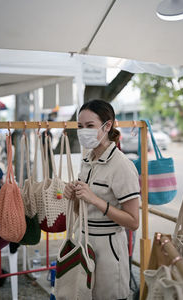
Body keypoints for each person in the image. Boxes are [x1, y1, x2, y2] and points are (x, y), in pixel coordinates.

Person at [63, 99, 140, 300]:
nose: (83, 131)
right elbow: (83, 211)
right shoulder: (87, 160)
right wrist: (75, 196)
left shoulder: (121, 165)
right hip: (84, 243)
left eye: (90, 126)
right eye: (80, 126)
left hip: (109, 248)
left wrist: (95, 200)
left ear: (107, 126)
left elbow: (133, 222)